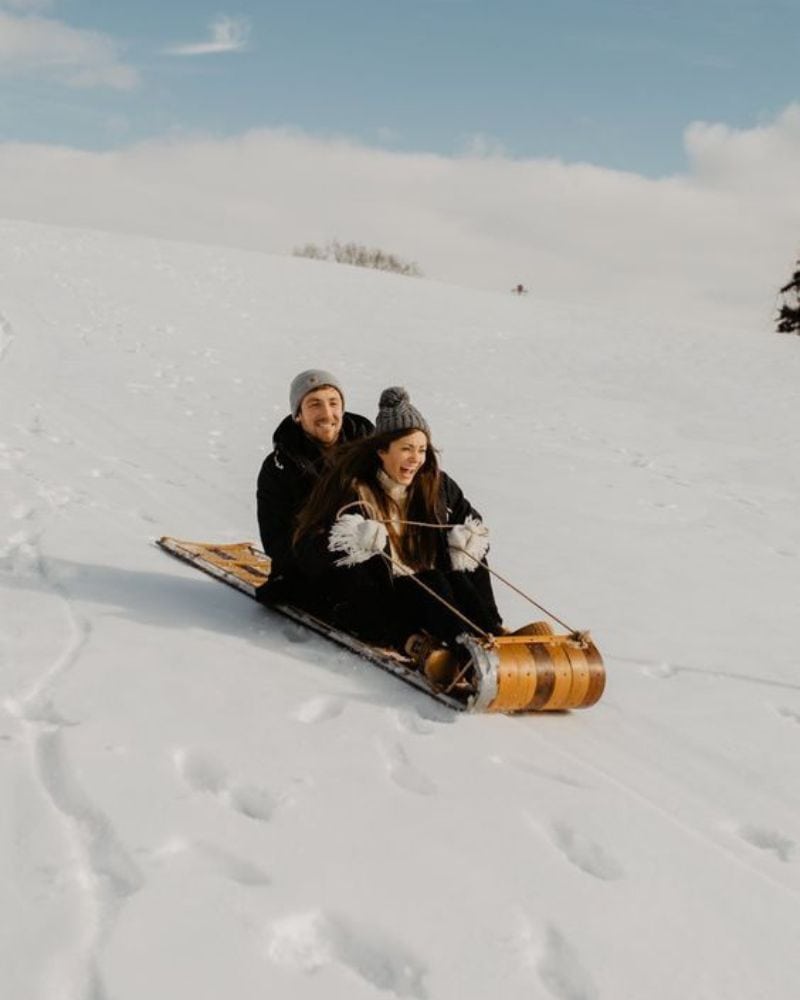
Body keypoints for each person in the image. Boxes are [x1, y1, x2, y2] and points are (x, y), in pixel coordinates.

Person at [293, 387, 503, 683]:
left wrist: (469, 536)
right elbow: (307, 550)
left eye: (421, 449)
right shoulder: (351, 489)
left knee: (459, 570)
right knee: (433, 581)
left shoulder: (436, 485)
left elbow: (471, 520)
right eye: (406, 449)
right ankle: (468, 652)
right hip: (376, 598)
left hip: (429, 590)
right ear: (382, 450)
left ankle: (493, 631)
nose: (415, 459)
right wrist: (349, 541)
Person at [256, 369, 373, 601]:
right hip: (311, 571)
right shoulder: (280, 467)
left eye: (333, 402)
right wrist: (337, 544)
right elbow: (276, 541)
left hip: (375, 557)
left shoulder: (371, 452)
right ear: (298, 414)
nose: (327, 413)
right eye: (314, 405)